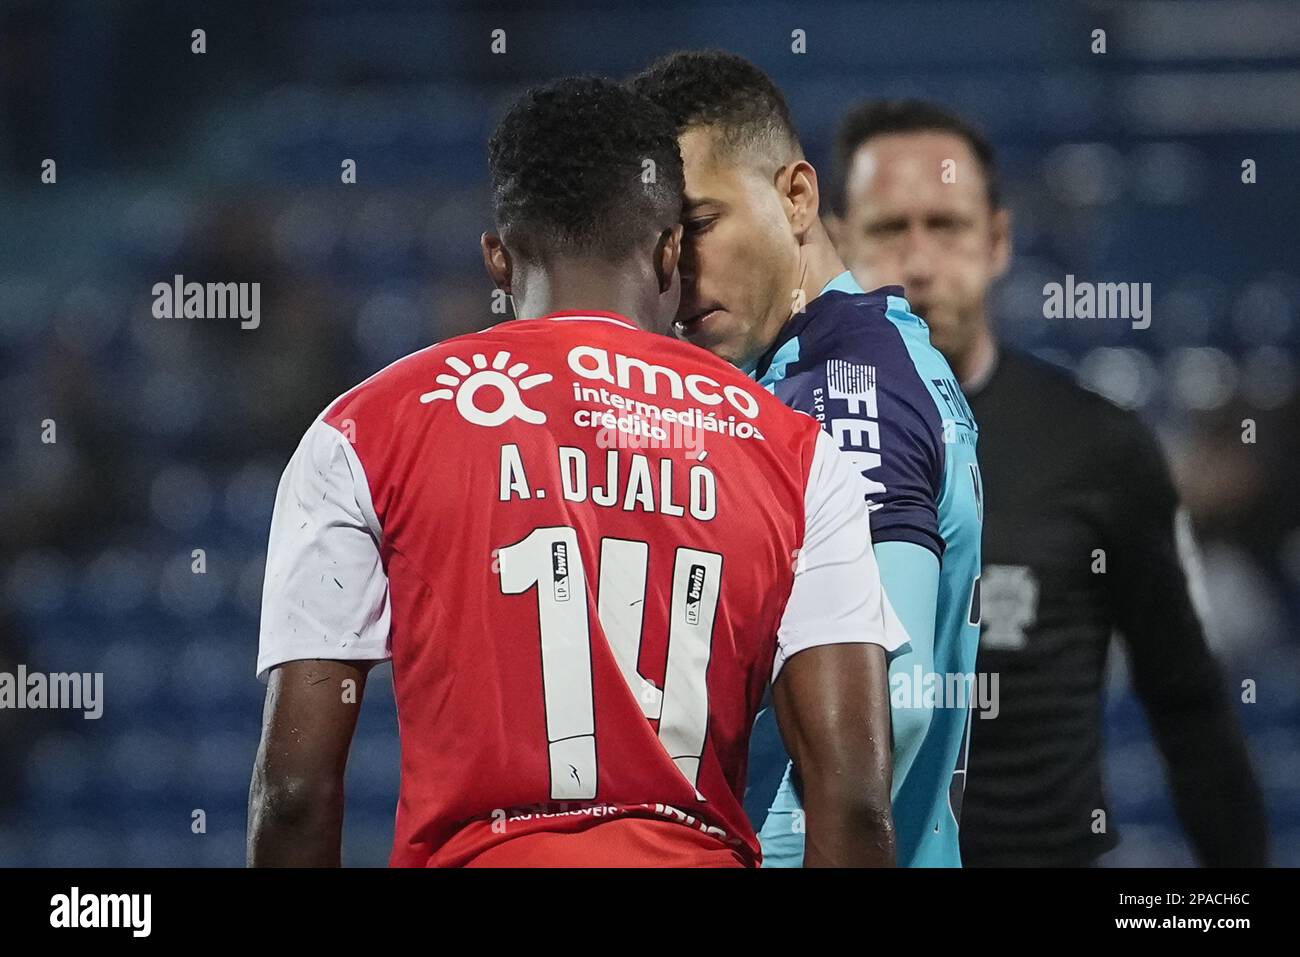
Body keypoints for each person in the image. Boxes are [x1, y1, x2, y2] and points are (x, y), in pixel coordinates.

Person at [248, 76, 901, 868]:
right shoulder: (798, 451)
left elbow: (294, 794)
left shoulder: (361, 430)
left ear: (498, 259)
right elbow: (857, 803)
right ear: (669, 253)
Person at [827, 97, 1268, 867]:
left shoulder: (1100, 445)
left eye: (949, 225)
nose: (921, 262)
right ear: (837, 241)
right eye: (890, 229)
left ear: (998, 239)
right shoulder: (781, 437)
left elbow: (1188, 702)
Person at [632, 51, 983, 868]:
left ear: (796, 196)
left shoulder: (842, 389)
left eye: (703, 224)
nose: (680, 273)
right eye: (663, 243)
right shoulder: (854, 360)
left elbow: (892, 705)